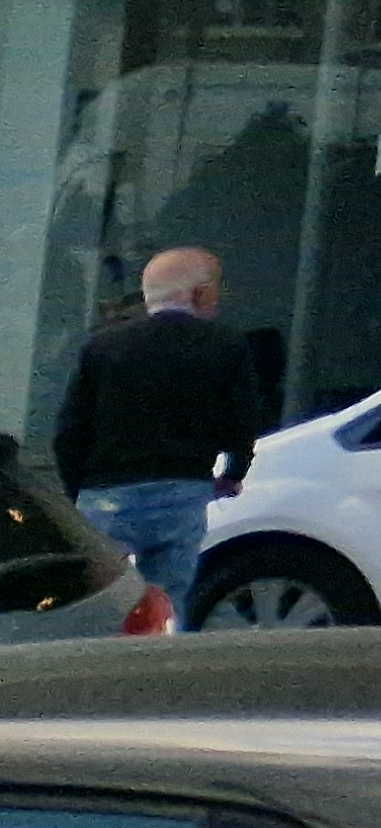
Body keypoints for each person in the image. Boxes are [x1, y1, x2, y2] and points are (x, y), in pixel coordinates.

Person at [47, 252, 260, 612]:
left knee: (92, 602)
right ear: (201, 293)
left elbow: (68, 432)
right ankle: (148, 659)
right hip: (183, 491)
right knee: (163, 604)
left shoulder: (101, 347)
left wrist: (79, 492)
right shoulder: (228, 344)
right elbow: (244, 422)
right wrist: (233, 474)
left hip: (105, 496)